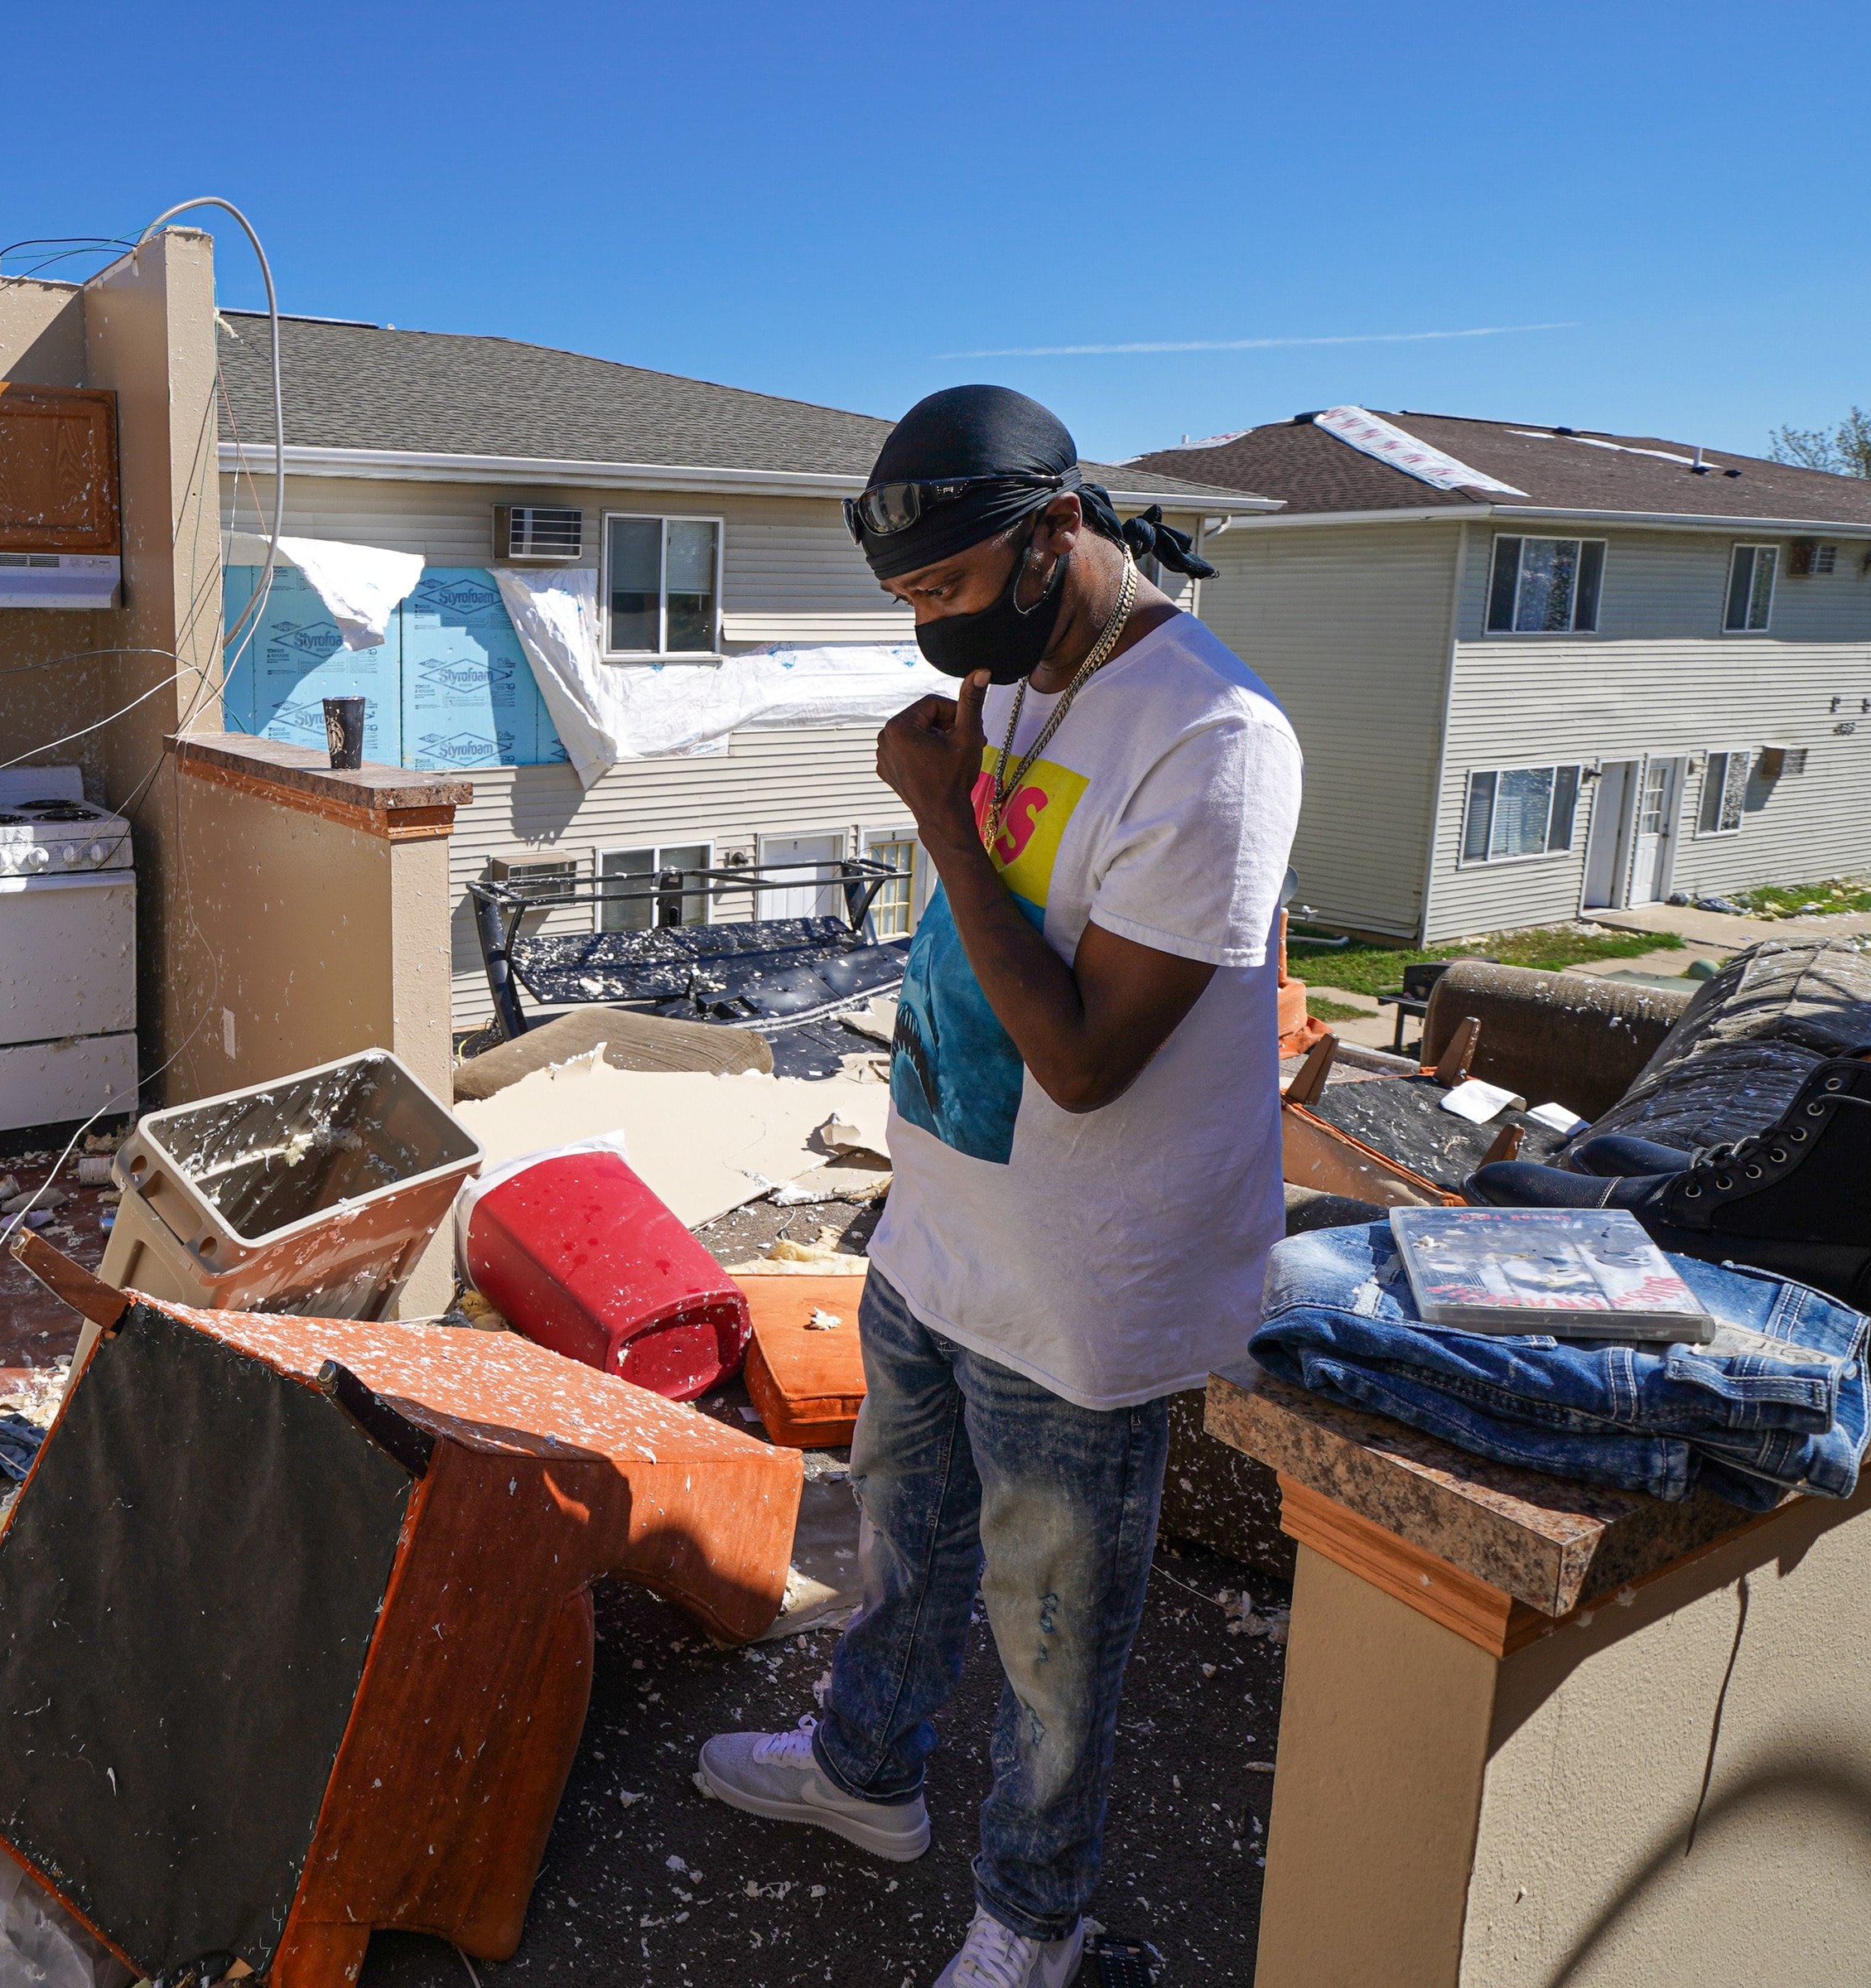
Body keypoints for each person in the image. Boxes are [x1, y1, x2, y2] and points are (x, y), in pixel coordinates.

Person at [693, 386, 1301, 1988]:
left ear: (1054, 536)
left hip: (1084, 1282)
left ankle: (1034, 1927)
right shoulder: (1031, 673)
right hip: (943, 1232)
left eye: (950, 591)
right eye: (906, 603)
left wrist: (942, 825)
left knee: (1054, 1639)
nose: (932, 634)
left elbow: (1091, 1054)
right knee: (903, 1550)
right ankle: (865, 1774)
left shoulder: (1214, 736)